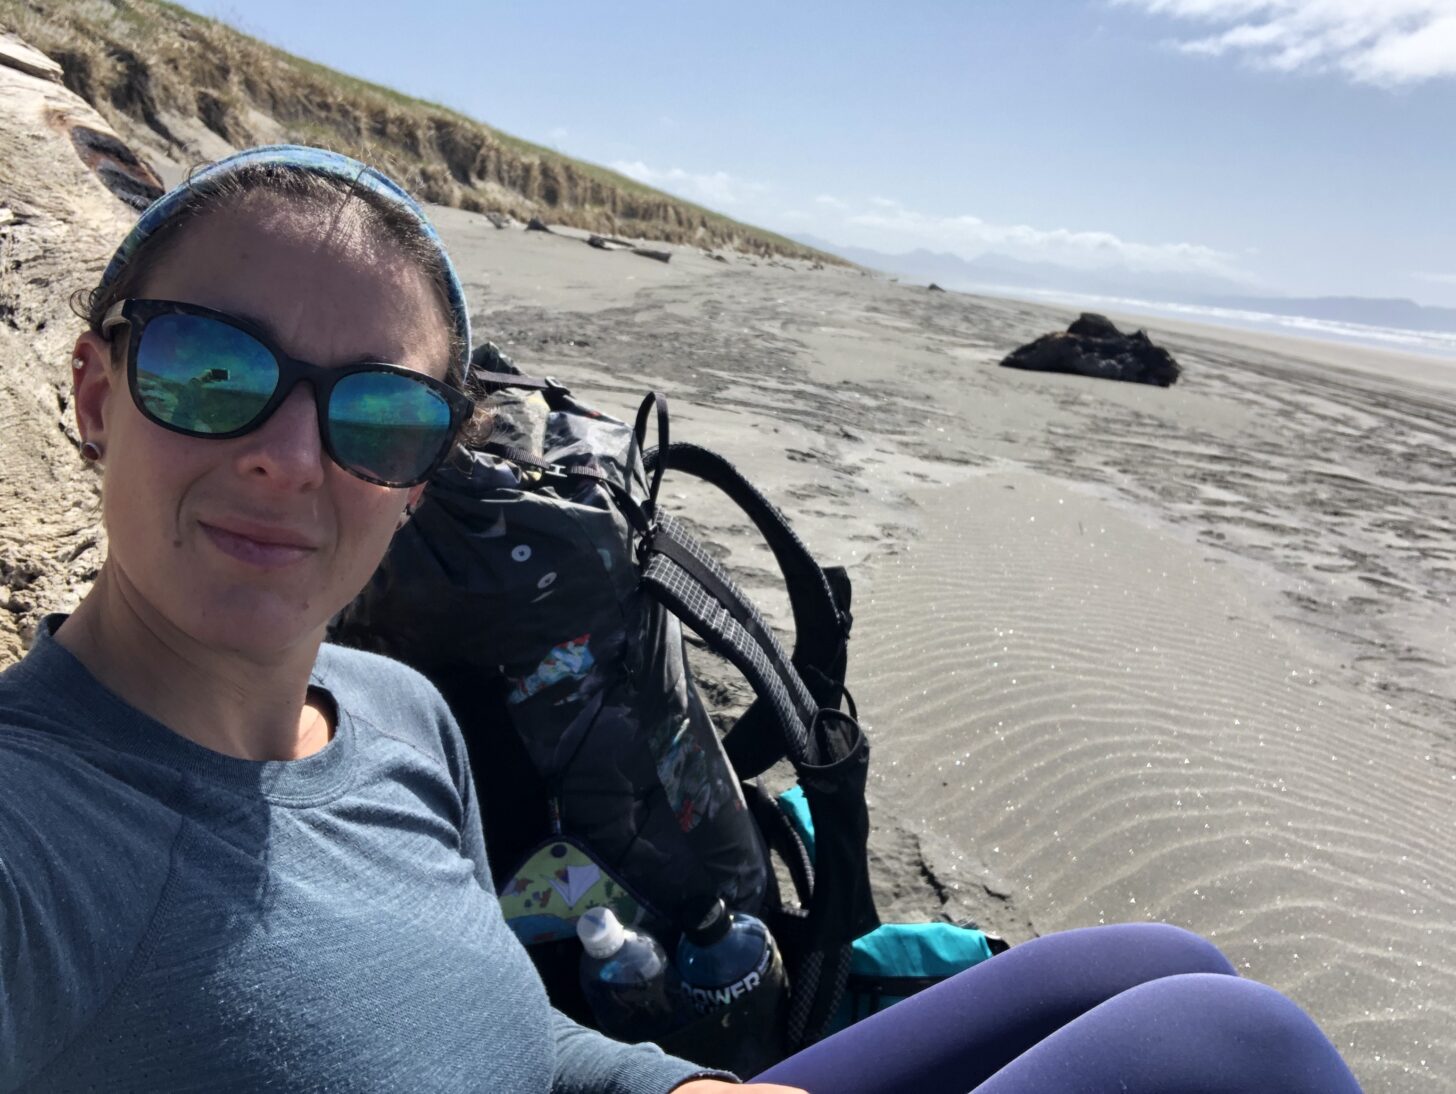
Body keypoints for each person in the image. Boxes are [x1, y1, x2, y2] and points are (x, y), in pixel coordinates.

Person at [0, 146, 1360, 1094]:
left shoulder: (397, 715)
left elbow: (507, 1042)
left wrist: (678, 1082)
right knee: (1236, 1046)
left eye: (376, 414)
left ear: (421, 479)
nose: (291, 456)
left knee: (1153, 960)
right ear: (99, 390)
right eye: (212, 366)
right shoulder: (40, 833)